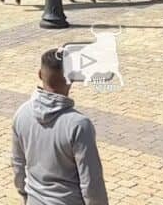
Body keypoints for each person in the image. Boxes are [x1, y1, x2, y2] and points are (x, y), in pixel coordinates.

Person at [12, 48, 109, 205]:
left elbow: (18, 165)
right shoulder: (78, 125)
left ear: (39, 74)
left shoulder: (22, 113)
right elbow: (91, 183)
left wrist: (25, 194)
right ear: (71, 78)